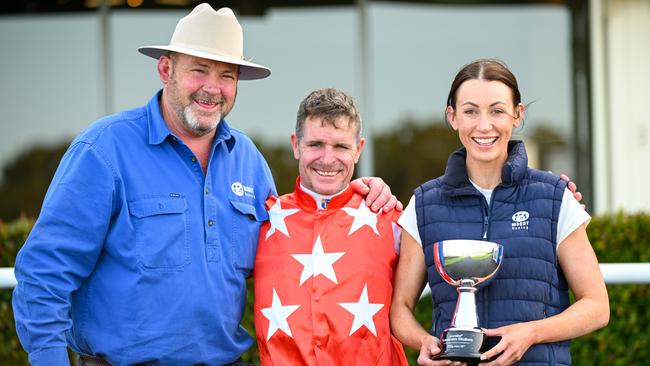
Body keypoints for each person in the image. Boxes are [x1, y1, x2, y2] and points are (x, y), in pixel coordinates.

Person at [12, 4, 398, 366]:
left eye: (226, 75)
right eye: (199, 70)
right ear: (166, 70)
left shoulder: (248, 161)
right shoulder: (104, 151)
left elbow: (295, 239)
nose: (212, 88)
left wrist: (356, 193)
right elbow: (43, 275)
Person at [390, 59, 609, 366]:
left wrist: (531, 333)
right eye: (470, 111)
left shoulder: (555, 197)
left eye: (497, 110)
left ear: (517, 115)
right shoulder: (425, 204)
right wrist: (423, 342)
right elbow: (400, 307)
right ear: (452, 117)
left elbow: (597, 306)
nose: (484, 125)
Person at [253, 88, 408, 365]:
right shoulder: (262, 220)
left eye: (340, 146)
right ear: (296, 145)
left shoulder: (390, 219)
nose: (327, 159)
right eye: (315, 145)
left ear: (358, 149)